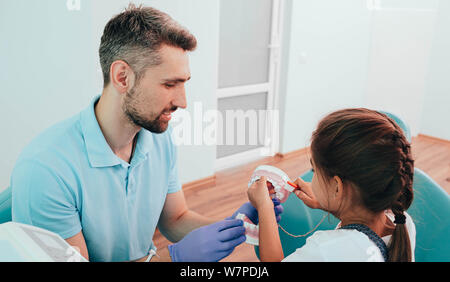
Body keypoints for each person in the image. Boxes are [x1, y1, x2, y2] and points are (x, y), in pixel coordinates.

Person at [10, 4, 282, 262]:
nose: (183, 102)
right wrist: (173, 257)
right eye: (169, 84)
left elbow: (175, 219)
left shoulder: (159, 138)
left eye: (184, 83)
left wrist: (233, 227)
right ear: (122, 77)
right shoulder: (46, 170)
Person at [248, 108, 416, 262]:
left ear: (337, 187)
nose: (312, 177)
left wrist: (265, 207)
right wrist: (330, 205)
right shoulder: (402, 222)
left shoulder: (326, 250)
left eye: (314, 170)